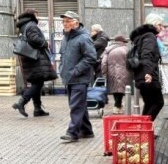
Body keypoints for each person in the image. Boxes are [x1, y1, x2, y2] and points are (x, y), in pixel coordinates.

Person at [58, 11, 97, 143]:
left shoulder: (84, 38)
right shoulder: (66, 38)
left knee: (76, 106)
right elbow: (63, 56)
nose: (65, 24)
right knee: (79, 105)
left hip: (79, 78)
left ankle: (72, 132)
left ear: (76, 23)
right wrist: (62, 69)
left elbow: (91, 57)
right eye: (63, 21)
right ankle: (87, 131)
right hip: (70, 77)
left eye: (68, 21)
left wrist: (76, 70)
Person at [13, 9, 55, 117]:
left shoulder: (24, 25)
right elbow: (34, 39)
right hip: (36, 59)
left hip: (29, 58)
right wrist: (45, 43)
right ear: (32, 15)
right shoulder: (31, 25)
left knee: (37, 83)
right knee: (38, 83)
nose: (38, 17)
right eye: (37, 15)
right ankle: (21, 102)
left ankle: (37, 109)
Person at [129, 14, 164, 120]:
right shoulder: (150, 36)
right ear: (154, 24)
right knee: (158, 102)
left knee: (150, 103)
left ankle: (143, 127)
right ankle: (144, 126)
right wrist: (148, 73)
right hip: (148, 75)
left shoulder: (142, 36)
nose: (162, 28)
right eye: (160, 25)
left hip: (141, 74)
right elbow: (146, 55)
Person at [101, 35, 131, 114]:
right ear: (123, 41)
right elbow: (130, 61)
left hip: (111, 71)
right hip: (124, 71)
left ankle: (118, 105)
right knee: (121, 89)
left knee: (115, 88)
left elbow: (104, 63)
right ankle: (117, 105)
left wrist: (104, 73)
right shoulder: (126, 49)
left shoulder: (108, 49)